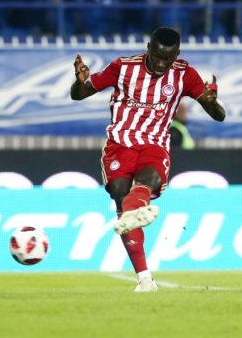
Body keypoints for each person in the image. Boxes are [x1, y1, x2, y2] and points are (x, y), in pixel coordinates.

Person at [70, 27, 226, 292]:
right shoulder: (122, 67)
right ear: (148, 49)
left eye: (168, 59)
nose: (161, 64)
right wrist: (79, 82)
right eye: (157, 57)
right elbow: (80, 94)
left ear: (177, 54)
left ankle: (138, 212)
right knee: (121, 193)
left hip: (155, 143)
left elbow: (219, 116)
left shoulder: (185, 74)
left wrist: (212, 102)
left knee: (145, 183)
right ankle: (145, 278)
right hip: (120, 144)